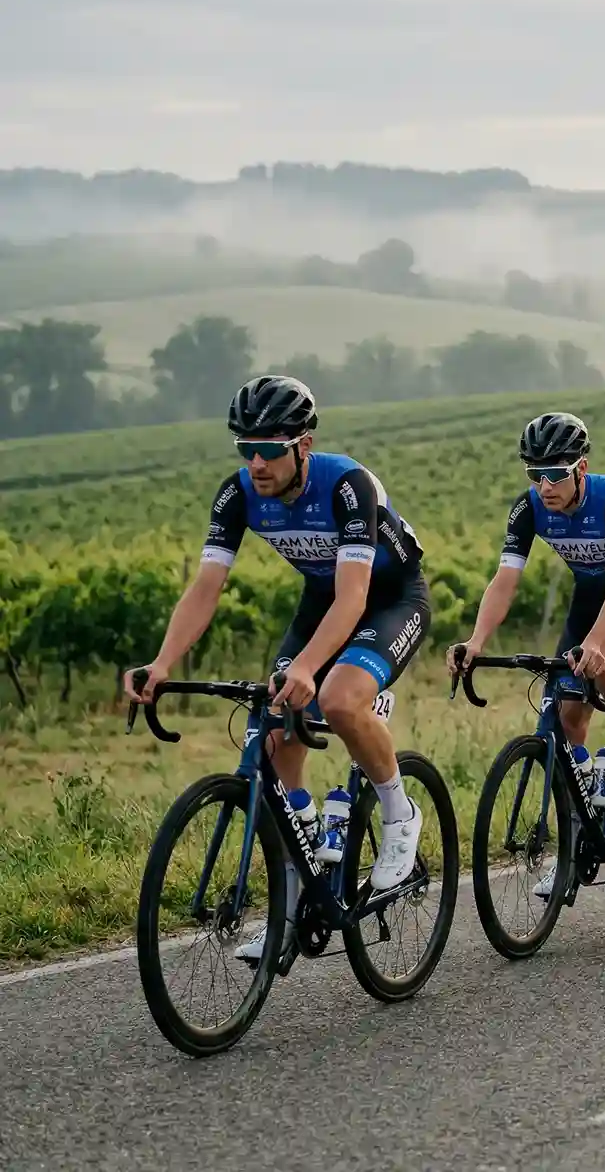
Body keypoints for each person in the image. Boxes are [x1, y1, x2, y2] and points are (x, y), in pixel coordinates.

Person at [123, 375, 431, 963]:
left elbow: (355, 597)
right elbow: (206, 588)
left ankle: (400, 812)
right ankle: (295, 896)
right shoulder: (237, 495)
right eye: (246, 448)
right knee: (274, 738)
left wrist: (311, 668)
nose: (257, 462)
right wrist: (162, 663)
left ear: (304, 446)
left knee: (338, 700)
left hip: (388, 600)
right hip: (322, 599)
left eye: (270, 449)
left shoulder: (347, 486)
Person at [448, 412, 605, 895]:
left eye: (555, 474)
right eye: (535, 474)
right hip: (589, 600)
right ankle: (581, 828)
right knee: (566, 705)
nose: (544, 485)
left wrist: (596, 644)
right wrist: (477, 641)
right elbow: (504, 582)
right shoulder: (528, 508)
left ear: (582, 468)